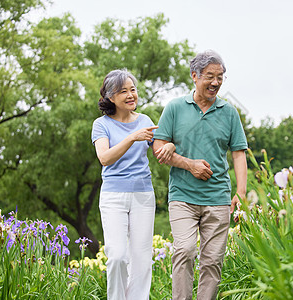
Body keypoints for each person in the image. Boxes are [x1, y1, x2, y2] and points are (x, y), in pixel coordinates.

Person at [153, 50, 248, 300]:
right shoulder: (174, 108)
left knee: (213, 260)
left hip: (217, 198)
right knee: (184, 250)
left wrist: (240, 192)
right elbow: (158, 148)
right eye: (210, 76)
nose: (215, 82)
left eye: (220, 77)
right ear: (194, 76)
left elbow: (239, 153)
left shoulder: (229, 113)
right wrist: (189, 164)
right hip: (182, 195)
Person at [91, 69, 175, 300]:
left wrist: (170, 146)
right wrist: (131, 137)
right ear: (111, 97)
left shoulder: (145, 121)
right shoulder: (101, 125)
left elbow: (160, 149)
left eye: (133, 90)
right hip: (113, 197)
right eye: (123, 91)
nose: (131, 95)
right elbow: (105, 158)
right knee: (117, 256)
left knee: (141, 259)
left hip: (142, 195)